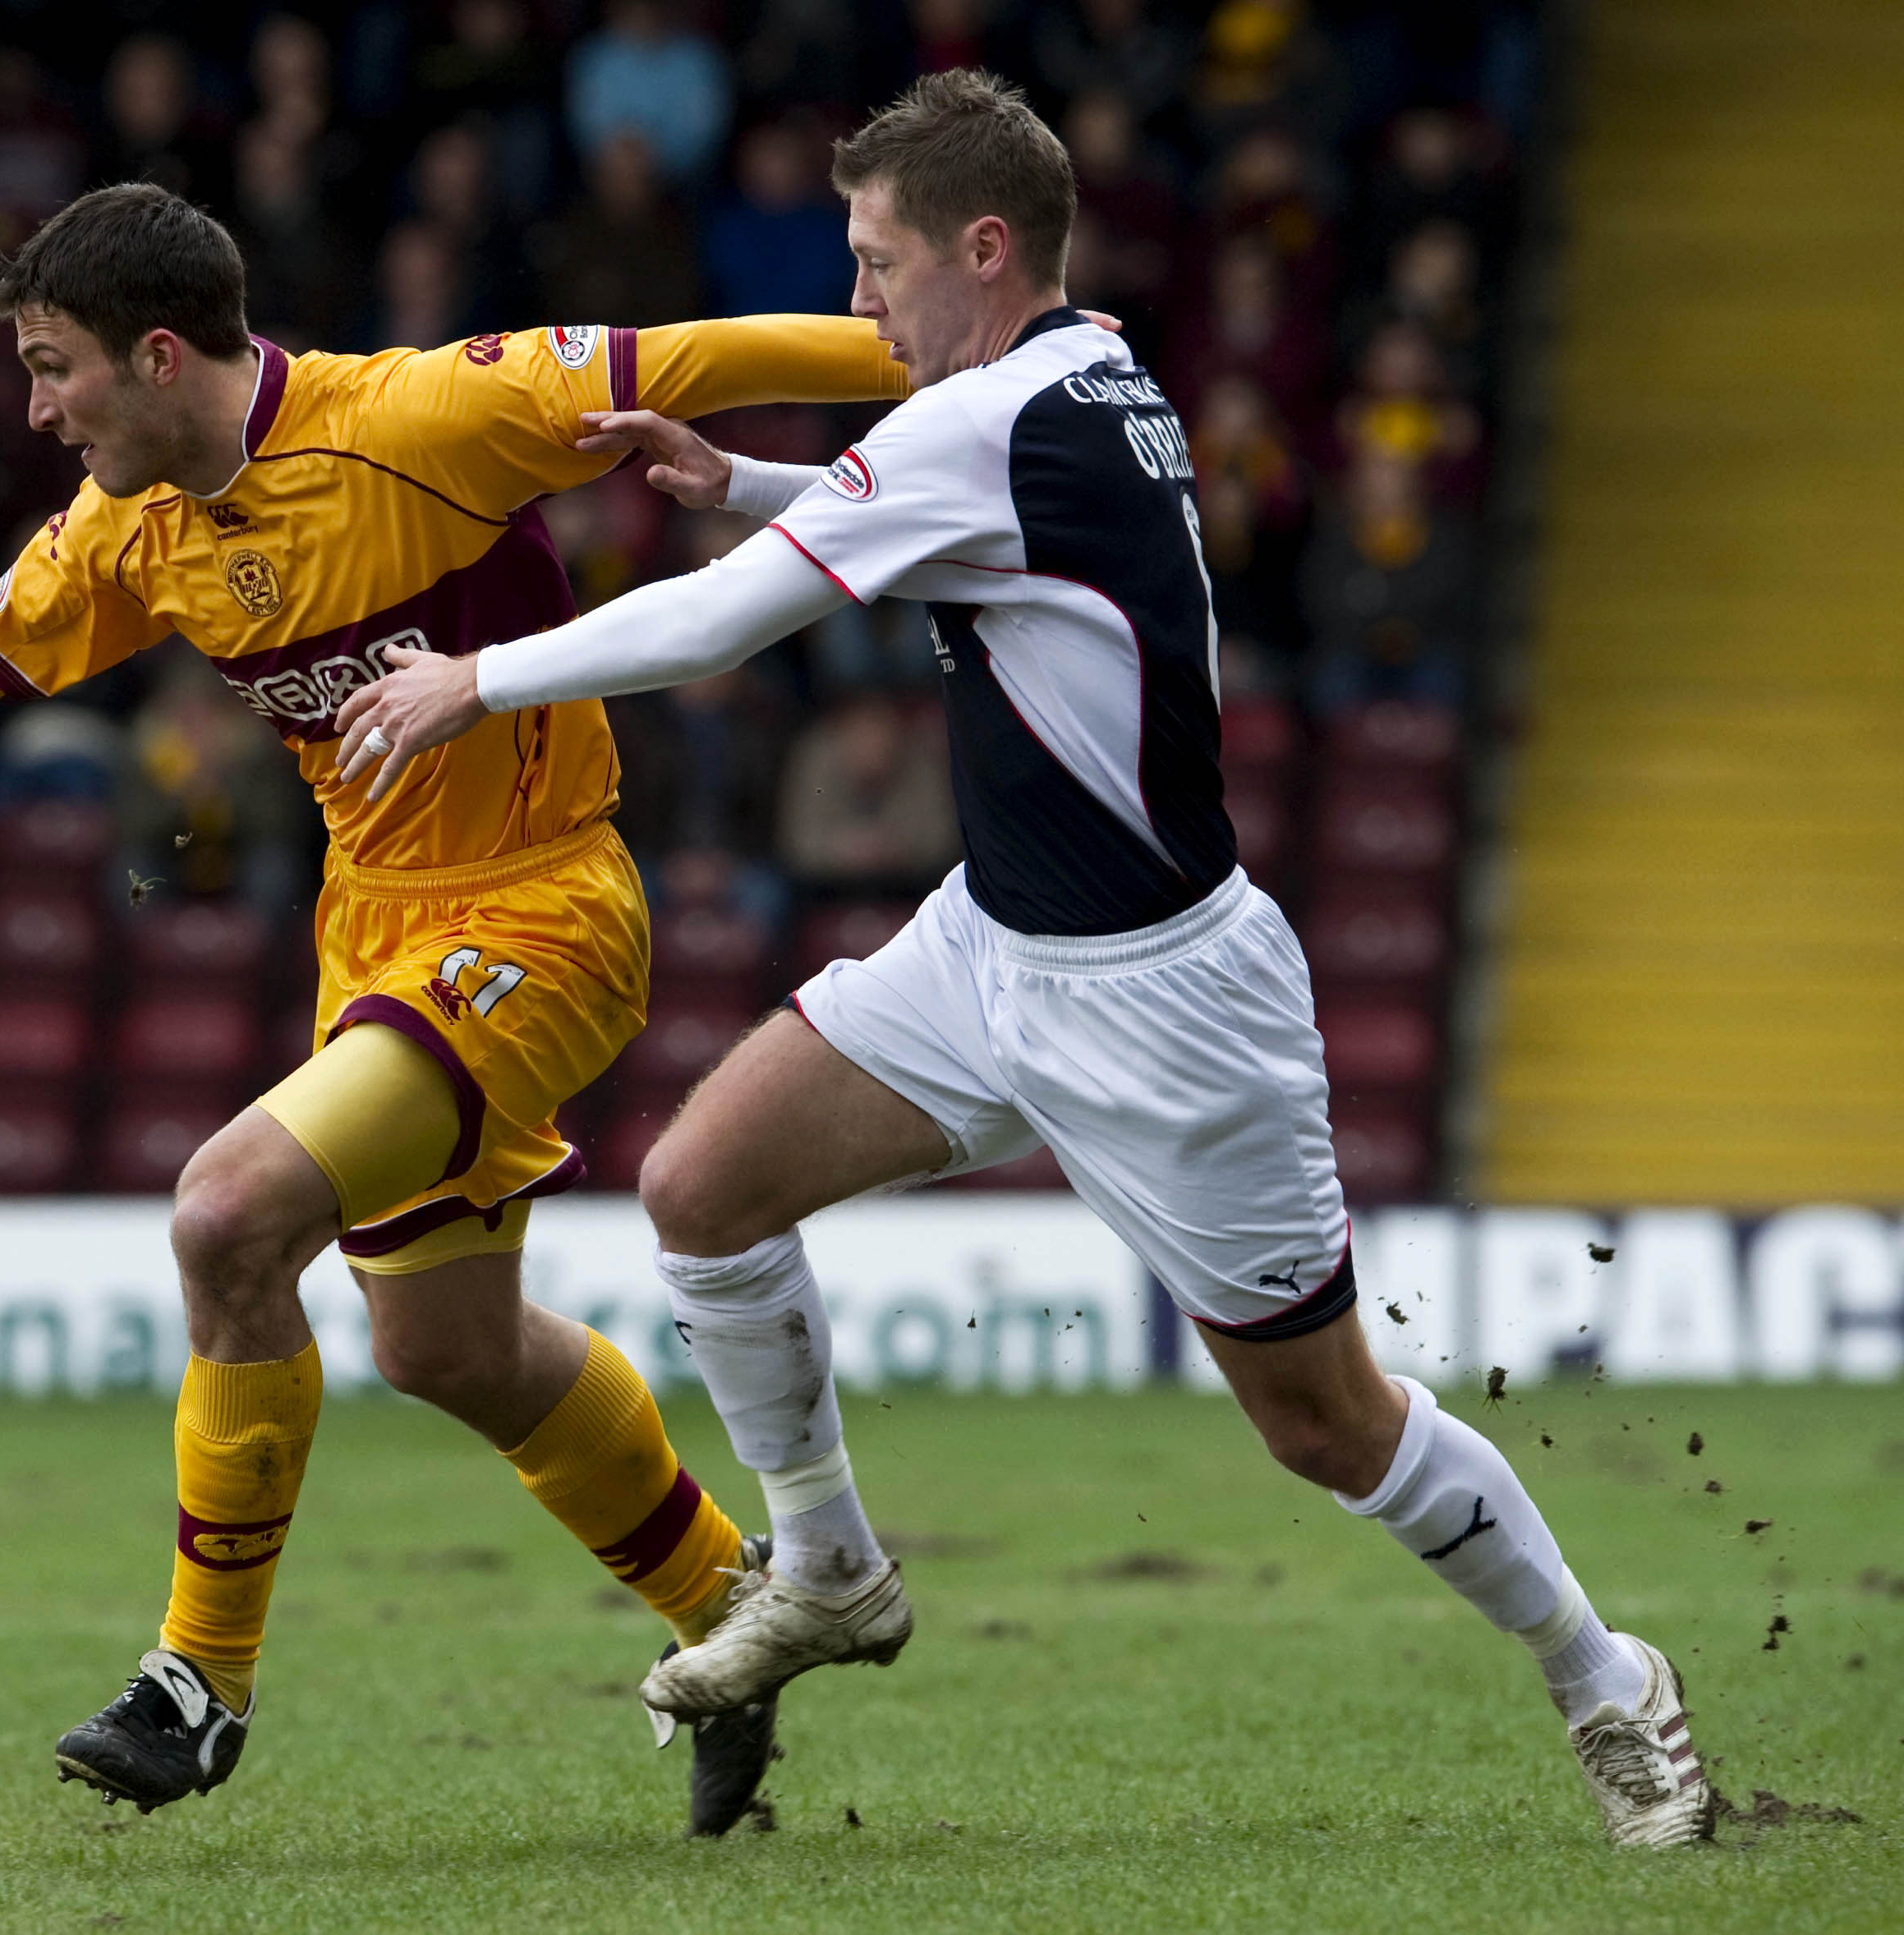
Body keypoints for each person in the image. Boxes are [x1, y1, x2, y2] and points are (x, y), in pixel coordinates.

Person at [333, 70, 1710, 1851]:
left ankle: (1609, 1676)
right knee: (704, 1185)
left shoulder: (982, 423)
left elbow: (730, 623)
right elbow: (940, 526)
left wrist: (477, 677)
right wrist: (741, 473)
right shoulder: (1076, 378)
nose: (856, 304)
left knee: (1325, 1422)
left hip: (1164, 999)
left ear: (983, 249)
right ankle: (826, 1563)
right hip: (991, 941)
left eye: (875, 261)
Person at [0, 181, 916, 1834]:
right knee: (445, 1345)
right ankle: (723, 1608)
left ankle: (197, 1678)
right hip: (373, 939)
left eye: (53, 368)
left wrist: (996, 355)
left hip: (542, 905)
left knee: (227, 1213)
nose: (34, 410)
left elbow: (703, 351)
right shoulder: (142, 525)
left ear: (157, 353)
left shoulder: (422, 416)